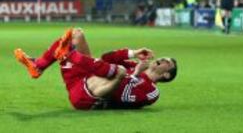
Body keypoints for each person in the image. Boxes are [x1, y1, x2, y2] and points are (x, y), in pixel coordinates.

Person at [14, 28, 177, 110]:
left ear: (167, 75)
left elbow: (124, 98)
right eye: (164, 58)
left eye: (167, 63)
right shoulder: (135, 65)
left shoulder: (153, 91)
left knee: (119, 71)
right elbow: (107, 58)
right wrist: (134, 53)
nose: (162, 59)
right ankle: (38, 66)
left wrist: (134, 74)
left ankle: (69, 55)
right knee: (76, 34)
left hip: (87, 95)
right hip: (83, 76)